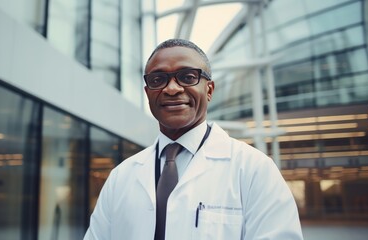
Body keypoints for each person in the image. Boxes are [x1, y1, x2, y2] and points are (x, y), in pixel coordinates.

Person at [83, 39, 303, 240]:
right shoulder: (121, 177)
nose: (171, 89)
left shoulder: (254, 169)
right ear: (148, 92)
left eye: (188, 77)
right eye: (158, 79)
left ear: (209, 90)